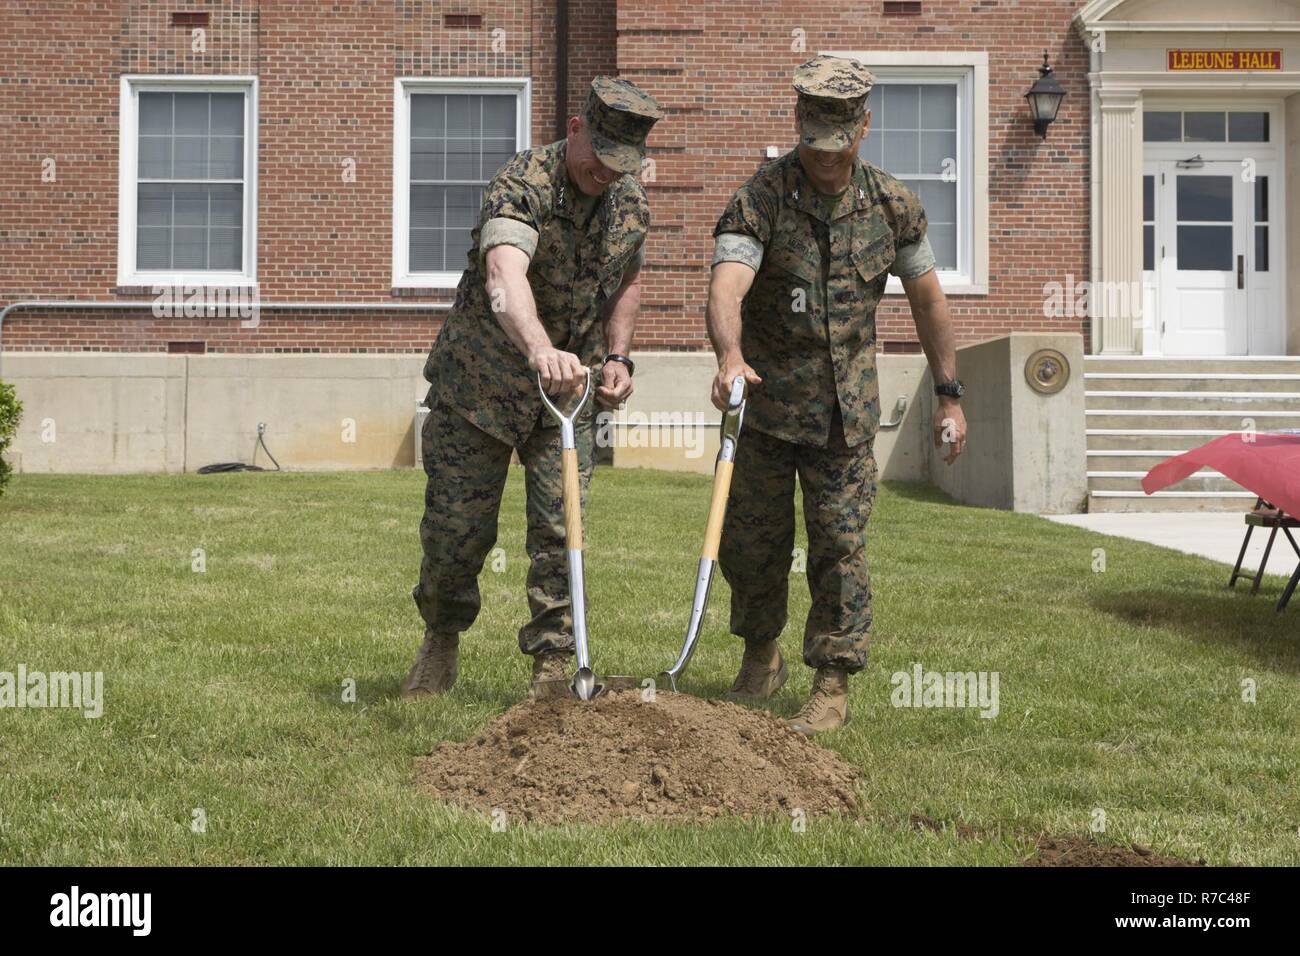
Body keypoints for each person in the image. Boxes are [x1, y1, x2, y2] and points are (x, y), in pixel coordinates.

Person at [706, 54, 967, 733]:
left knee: (840, 546)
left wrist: (949, 394)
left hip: (845, 416)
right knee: (752, 545)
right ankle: (761, 656)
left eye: (839, 143)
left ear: (864, 127)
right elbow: (727, 285)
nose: (825, 158)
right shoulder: (758, 198)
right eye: (814, 143)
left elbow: (929, 301)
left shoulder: (892, 205)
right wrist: (729, 357)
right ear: (798, 125)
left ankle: (832, 680)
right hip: (763, 409)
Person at [402, 77, 662, 697]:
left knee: (561, 529)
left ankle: (554, 663)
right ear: (575, 130)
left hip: (568, 397)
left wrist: (619, 356)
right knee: (456, 529)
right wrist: (540, 348)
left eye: (619, 165)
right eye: (598, 159)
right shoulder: (523, 184)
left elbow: (626, 280)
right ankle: (441, 640)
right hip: (481, 390)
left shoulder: (629, 203)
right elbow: (503, 272)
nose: (606, 174)